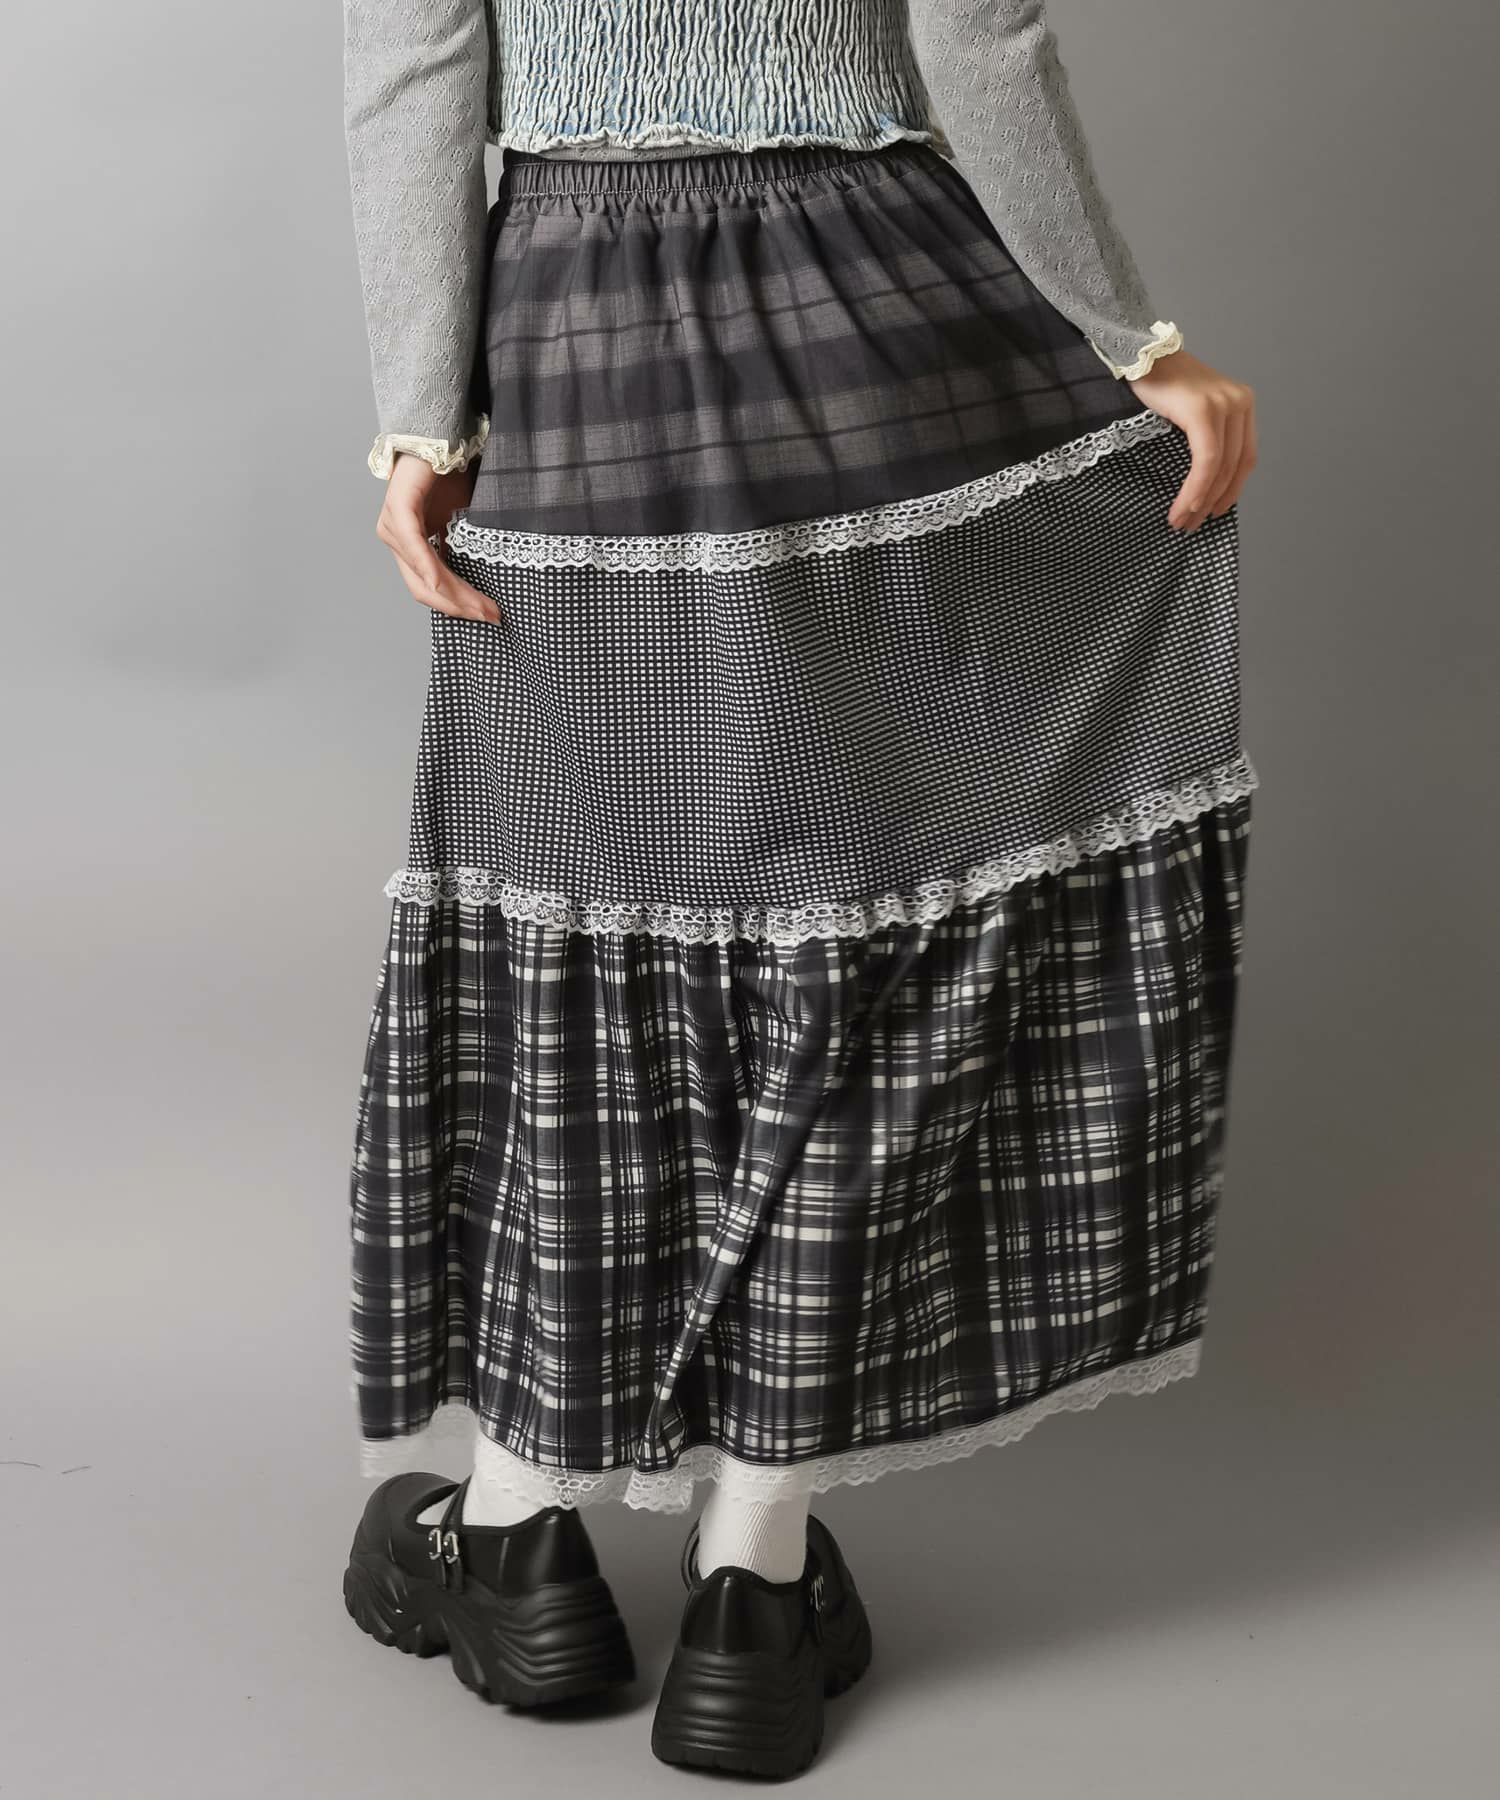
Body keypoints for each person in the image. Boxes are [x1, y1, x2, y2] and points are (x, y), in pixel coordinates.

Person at [339, 0, 1260, 1778]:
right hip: (894, 312)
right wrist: (1130, 341)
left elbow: (413, 71)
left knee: (587, 911)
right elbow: (983, 37)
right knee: (868, 927)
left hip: (583, 334)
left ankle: (519, 1539)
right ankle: (753, 1589)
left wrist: (418, 421)